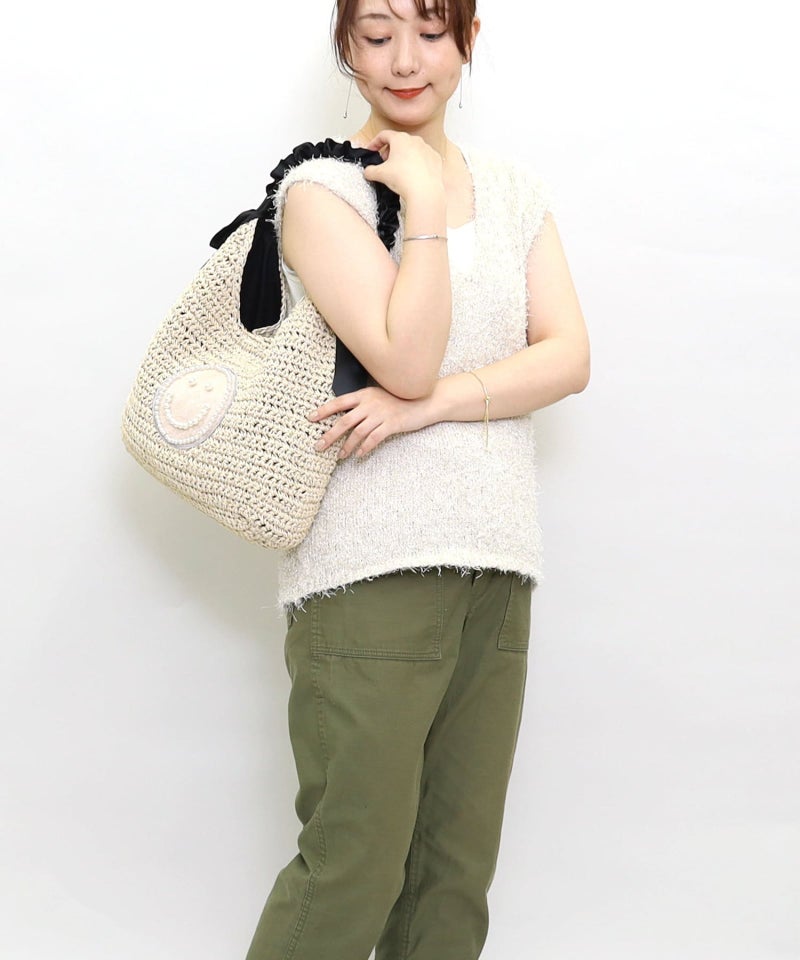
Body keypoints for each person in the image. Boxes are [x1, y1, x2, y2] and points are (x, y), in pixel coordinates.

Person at [244, 1, 590, 958]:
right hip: (370, 570)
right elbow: (404, 357)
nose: (405, 59)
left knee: (452, 877)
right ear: (346, 47)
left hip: (497, 561)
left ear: (467, 42)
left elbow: (568, 357)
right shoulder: (322, 191)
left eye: (432, 32)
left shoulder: (515, 193)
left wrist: (431, 408)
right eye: (377, 33)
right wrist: (426, 210)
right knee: (353, 866)